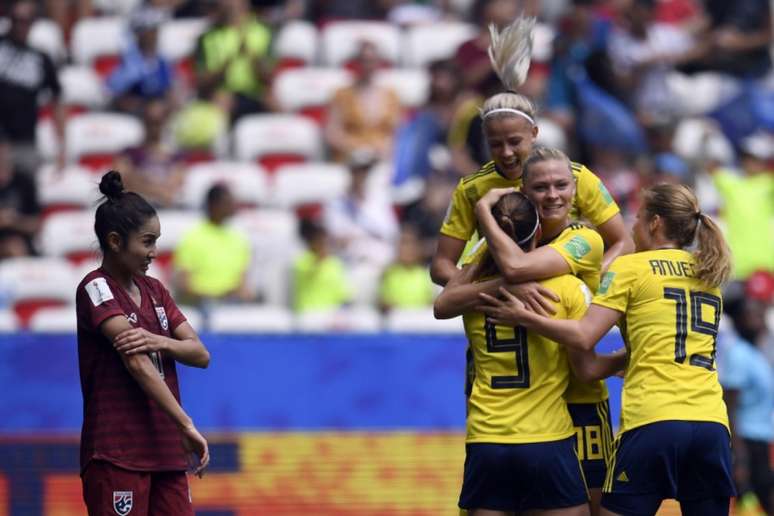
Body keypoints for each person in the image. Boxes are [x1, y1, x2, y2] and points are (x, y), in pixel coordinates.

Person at [478, 183, 736, 515]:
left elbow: (585, 336)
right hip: (711, 424)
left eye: (639, 217)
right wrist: (634, 355)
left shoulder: (631, 268)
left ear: (655, 223)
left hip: (653, 420)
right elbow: (667, 343)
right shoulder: (709, 275)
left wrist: (524, 317)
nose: (632, 226)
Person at [446, 147, 620, 515]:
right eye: (541, 188)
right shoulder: (503, 251)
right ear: (524, 192)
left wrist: (488, 233)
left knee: (596, 505)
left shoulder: (583, 240)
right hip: (544, 414)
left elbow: (513, 269)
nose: (552, 195)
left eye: (561, 185)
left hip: (579, 398)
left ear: (575, 189)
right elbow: (507, 272)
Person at [430, 16, 634, 293]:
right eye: (496, 144)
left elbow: (623, 242)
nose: (507, 152)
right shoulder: (472, 189)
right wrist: (489, 291)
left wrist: (587, 285)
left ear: (534, 133)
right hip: (505, 306)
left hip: (565, 304)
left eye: (515, 141)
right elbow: (441, 265)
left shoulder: (573, 177)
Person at [76, 170, 210, 515]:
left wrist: (158, 341)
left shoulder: (156, 290)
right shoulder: (97, 287)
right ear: (116, 241)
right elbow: (136, 362)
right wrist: (186, 423)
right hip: (118, 450)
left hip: (166, 450)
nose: (154, 252)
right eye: (147, 241)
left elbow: (200, 353)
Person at [718, 296, 774, 513]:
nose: (760, 320)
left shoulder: (755, 353)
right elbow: (729, 406)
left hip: (761, 441)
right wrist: (738, 456)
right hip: (747, 443)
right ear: (740, 320)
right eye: (753, 315)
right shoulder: (739, 354)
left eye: (761, 315)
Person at [0, 0, 65, 175]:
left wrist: (61, 147)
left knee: (26, 198)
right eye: (17, 20)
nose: (21, 26)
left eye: (26, 21)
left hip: (25, 144)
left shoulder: (40, 58)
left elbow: (57, 99)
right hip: (1, 140)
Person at [173, 183, 254, 306]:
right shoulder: (192, 237)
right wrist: (210, 298)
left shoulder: (239, 239)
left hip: (232, 303)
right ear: (213, 205)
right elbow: (183, 283)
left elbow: (242, 282)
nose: (232, 207)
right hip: (200, 304)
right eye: (227, 203)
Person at [325, 41, 403, 162]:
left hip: (383, 157)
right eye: (363, 60)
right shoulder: (341, 95)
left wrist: (385, 148)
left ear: (378, 63)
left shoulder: (391, 95)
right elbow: (332, 133)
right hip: (351, 159)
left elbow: (399, 131)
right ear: (356, 63)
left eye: (371, 61)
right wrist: (359, 149)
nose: (367, 65)